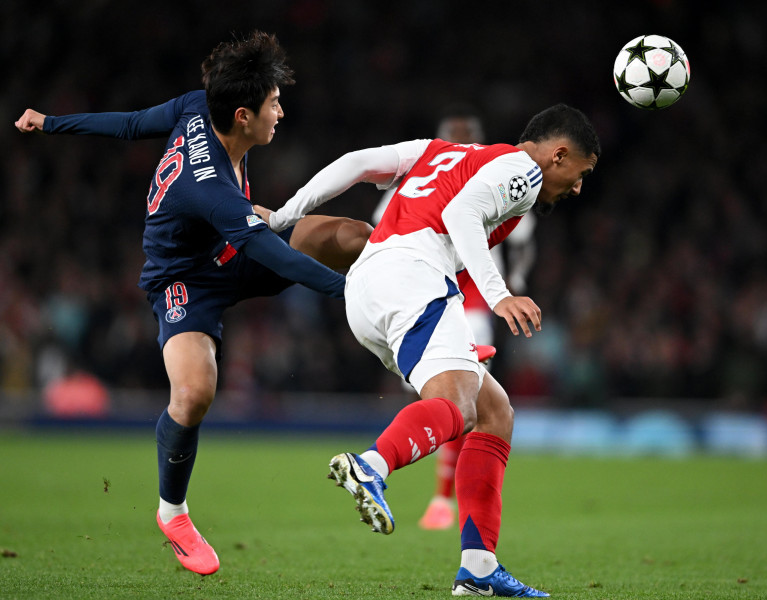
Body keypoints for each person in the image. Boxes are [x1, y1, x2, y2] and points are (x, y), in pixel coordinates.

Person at [15, 31, 372, 576]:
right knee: (195, 392)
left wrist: (52, 122)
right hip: (184, 278)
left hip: (230, 243)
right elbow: (272, 255)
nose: (281, 110)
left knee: (352, 235)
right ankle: (173, 513)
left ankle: (417, 318)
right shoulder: (211, 191)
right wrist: (346, 291)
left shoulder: (196, 106)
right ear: (243, 115)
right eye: (273, 102)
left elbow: (132, 124)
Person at [266, 103, 600, 596]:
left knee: (494, 411)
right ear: (559, 154)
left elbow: (356, 163)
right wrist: (499, 294)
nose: (577, 187)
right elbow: (459, 213)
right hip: (413, 278)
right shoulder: (523, 171)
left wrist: (284, 215)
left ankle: (479, 568)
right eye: (580, 174)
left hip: (369, 285)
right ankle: (371, 466)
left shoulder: (439, 151)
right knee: (460, 408)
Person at [373, 107, 538, 531]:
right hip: (420, 296)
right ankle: (381, 465)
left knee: (470, 399)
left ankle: (441, 498)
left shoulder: (504, 176)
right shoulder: (422, 178)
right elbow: (380, 229)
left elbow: (521, 240)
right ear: (444, 136)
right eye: (456, 133)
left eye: (470, 133)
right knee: (447, 400)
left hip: (475, 304)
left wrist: (511, 280)